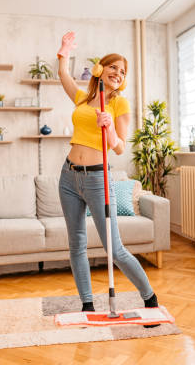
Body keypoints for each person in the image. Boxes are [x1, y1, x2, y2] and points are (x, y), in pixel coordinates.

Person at [56, 31, 159, 323]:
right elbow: (63, 73)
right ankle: (87, 305)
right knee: (76, 244)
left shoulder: (118, 104)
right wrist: (63, 51)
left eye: (122, 71)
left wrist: (110, 127)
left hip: (98, 179)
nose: (118, 73)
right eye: (113, 66)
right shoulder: (83, 97)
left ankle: (149, 297)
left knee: (115, 247)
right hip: (68, 177)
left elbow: (119, 147)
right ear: (101, 69)